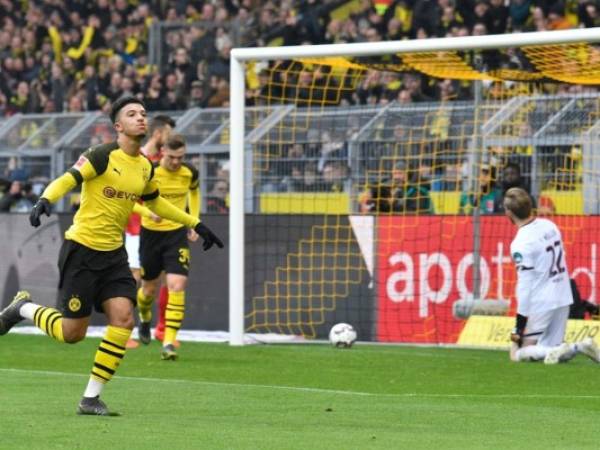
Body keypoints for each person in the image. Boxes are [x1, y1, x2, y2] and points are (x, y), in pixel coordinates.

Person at [0, 96, 223, 416]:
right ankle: (23, 308)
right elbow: (68, 179)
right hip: (82, 251)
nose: (141, 118)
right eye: (132, 114)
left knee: (124, 318)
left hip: (113, 255)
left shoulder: (146, 166)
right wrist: (45, 199)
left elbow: (155, 203)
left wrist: (196, 223)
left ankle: (90, 398)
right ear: (118, 126)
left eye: (144, 113)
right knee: (71, 333)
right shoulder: (102, 155)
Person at [504, 187, 599, 364]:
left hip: (542, 302)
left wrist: (519, 325)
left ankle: (574, 346)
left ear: (508, 212)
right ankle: (580, 346)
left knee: (517, 354)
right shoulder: (550, 225)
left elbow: (525, 286)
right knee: (553, 354)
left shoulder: (520, 243)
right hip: (563, 295)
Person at [136, 133, 201, 360]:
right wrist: (147, 212)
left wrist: (193, 220)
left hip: (176, 235)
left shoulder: (189, 172)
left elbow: (194, 192)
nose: (176, 162)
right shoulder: (149, 170)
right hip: (151, 236)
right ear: (162, 151)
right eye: (172, 157)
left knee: (177, 284)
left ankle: (169, 342)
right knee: (148, 291)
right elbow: (129, 200)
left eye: (180, 157)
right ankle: (144, 318)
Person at [132, 114, 176, 345]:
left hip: (165, 229)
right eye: (168, 133)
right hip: (135, 228)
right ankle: (131, 327)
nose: (171, 138)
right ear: (158, 133)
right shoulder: (138, 159)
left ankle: (162, 329)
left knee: (171, 280)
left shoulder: (165, 159)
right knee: (141, 284)